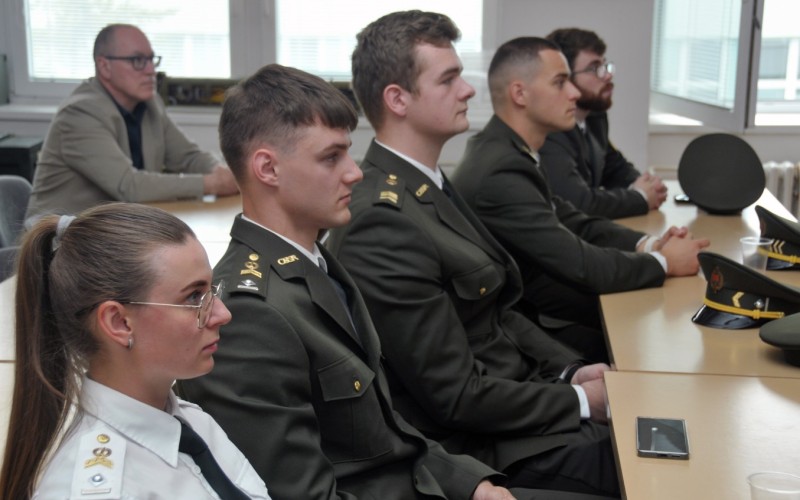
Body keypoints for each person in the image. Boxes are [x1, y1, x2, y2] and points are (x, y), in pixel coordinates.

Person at [176, 63, 535, 500]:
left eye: (348, 153)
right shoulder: (249, 313)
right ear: (268, 169)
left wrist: (471, 483)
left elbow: (385, 427)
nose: (355, 172)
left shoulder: (316, 263)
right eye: (331, 157)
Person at [325, 11, 619, 497]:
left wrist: (571, 372)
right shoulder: (381, 220)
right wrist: (580, 401)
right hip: (486, 449)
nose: (467, 90)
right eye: (448, 79)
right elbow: (455, 398)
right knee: (656, 466)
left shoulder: (427, 185)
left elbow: (497, 312)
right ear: (398, 99)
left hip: (521, 407)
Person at [0, 203, 269, 499]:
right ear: (119, 323)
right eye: (194, 297)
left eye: (210, 291)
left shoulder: (191, 421)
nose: (222, 314)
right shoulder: (102, 489)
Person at [452, 37, 710, 336]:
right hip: (522, 329)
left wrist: (651, 245)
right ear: (520, 94)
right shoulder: (501, 170)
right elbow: (584, 266)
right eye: (560, 82)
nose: (574, 92)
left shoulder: (509, 150)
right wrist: (665, 262)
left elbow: (574, 221)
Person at [25, 24, 238, 221]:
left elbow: (187, 157)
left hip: (113, 231)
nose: (150, 70)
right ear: (104, 66)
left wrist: (224, 172)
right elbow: (128, 186)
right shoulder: (79, 114)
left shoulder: (150, 103)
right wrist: (212, 184)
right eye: (137, 60)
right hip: (57, 239)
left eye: (151, 60)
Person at [536, 28, 666, 219]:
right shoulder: (549, 129)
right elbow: (580, 203)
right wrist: (640, 197)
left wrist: (646, 184)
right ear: (564, 77)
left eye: (605, 65)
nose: (607, 75)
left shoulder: (595, 117)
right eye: (593, 68)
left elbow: (613, 166)